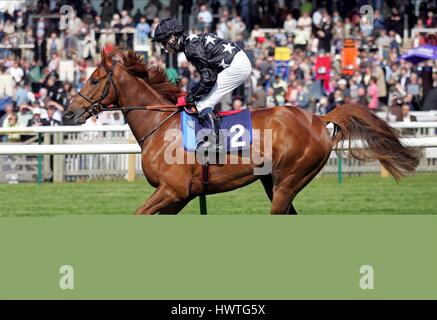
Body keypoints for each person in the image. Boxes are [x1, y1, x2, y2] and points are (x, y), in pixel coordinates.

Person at [151, 18, 252, 151]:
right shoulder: (191, 43)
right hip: (236, 62)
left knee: (203, 103)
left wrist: (189, 98)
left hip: (237, 66)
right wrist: (192, 95)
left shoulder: (191, 48)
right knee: (202, 99)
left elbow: (209, 79)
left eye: (163, 42)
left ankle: (216, 142)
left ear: (172, 38)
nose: (163, 47)